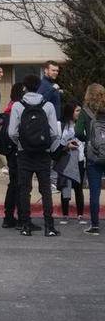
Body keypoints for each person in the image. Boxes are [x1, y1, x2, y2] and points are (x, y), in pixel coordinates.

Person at [8, 74, 60, 237]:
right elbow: (54, 133)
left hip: (24, 153)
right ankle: (49, 226)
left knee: (24, 190)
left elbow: (12, 132)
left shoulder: (18, 105)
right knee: (45, 190)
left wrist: (22, 143)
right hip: (43, 154)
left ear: (25, 87)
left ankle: (25, 225)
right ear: (39, 87)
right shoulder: (48, 105)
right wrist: (48, 147)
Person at [75, 83, 105, 235]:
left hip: (93, 155)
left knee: (94, 192)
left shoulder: (85, 111)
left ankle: (94, 225)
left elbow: (78, 132)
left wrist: (89, 140)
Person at [0, 82, 27, 229]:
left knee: (13, 183)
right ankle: (21, 218)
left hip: (9, 150)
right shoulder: (18, 107)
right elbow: (14, 132)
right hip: (17, 149)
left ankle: (8, 216)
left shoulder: (9, 106)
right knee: (20, 184)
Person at [56, 102, 85, 225]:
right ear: (70, 112)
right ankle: (65, 214)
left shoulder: (83, 125)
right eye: (77, 111)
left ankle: (80, 215)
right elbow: (56, 144)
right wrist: (67, 146)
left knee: (78, 188)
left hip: (79, 160)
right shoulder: (61, 125)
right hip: (66, 160)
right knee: (65, 187)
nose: (79, 113)